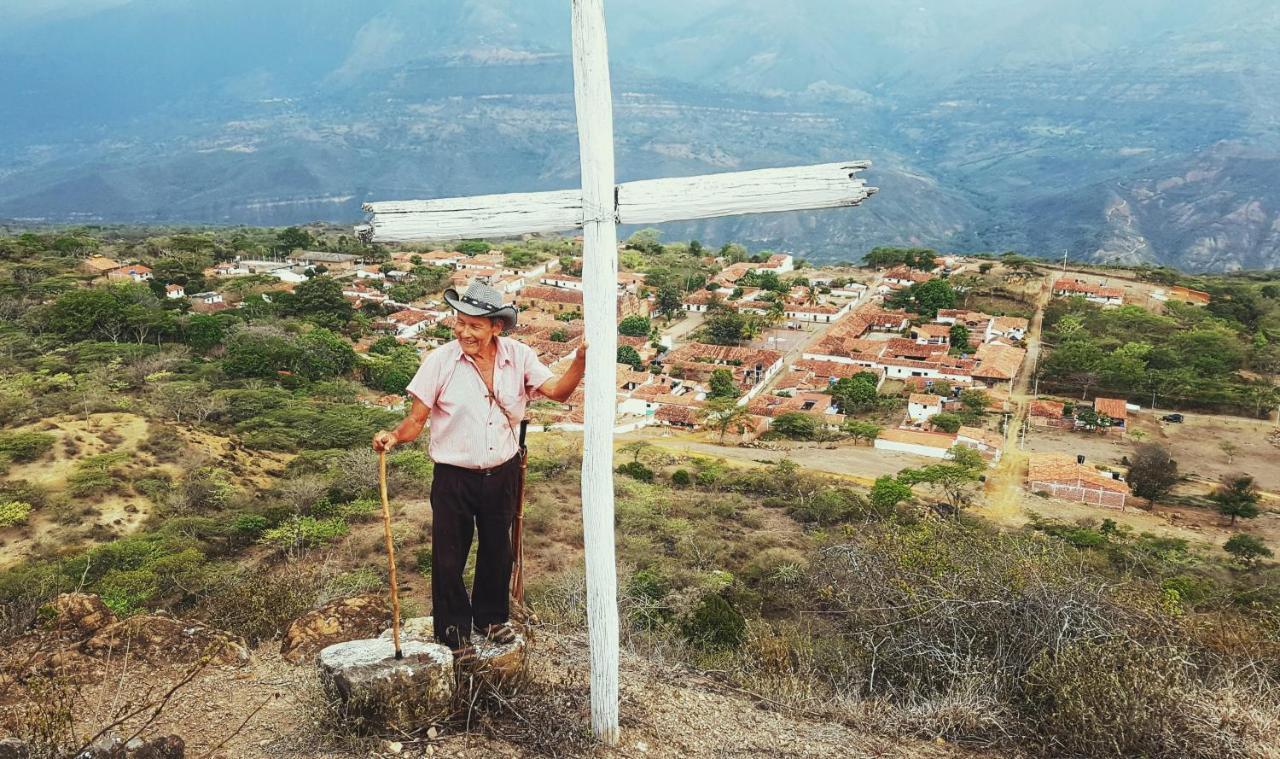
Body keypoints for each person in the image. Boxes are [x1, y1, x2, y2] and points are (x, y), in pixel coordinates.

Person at [372, 281, 586, 659]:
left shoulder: (518, 357)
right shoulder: (439, 361)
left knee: (497, 551)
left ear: (495, 327)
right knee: (449, 556)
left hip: (501, 473)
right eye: (459, 322)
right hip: (454, 477)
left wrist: (580, 362)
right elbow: (416, 420)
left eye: (473, 325)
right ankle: (454, 634)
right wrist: (392, 436)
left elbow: (557, 391)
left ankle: (490, 618)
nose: (463, 332)